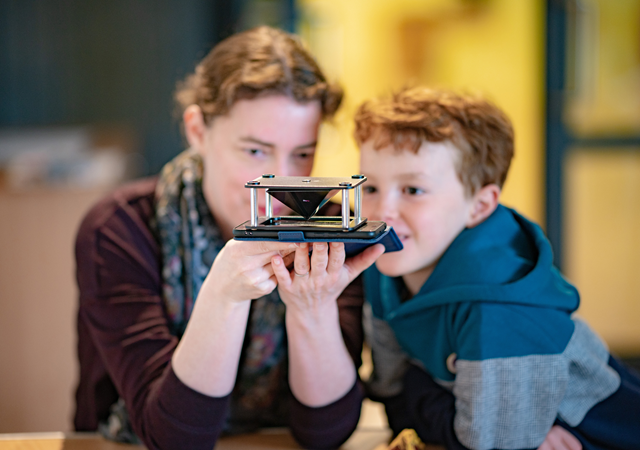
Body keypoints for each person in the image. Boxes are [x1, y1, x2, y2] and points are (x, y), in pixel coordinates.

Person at [74, 26, 384, 450]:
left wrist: (312, 312)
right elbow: (172, 437)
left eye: (302, 153)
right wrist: (223, 295)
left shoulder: (335, 229)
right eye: (255, 151)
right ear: (198, 130)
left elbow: (325, 433)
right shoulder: (119, 230)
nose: (281, 181)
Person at [354, 87, 640, 450]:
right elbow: (392, 400)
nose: (382, 212)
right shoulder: (386, 265)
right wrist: (421, 397)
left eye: (412, 189)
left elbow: (489, 445)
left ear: (479, 205)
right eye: (370, 187)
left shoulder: (499, 303)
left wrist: (417, 388)